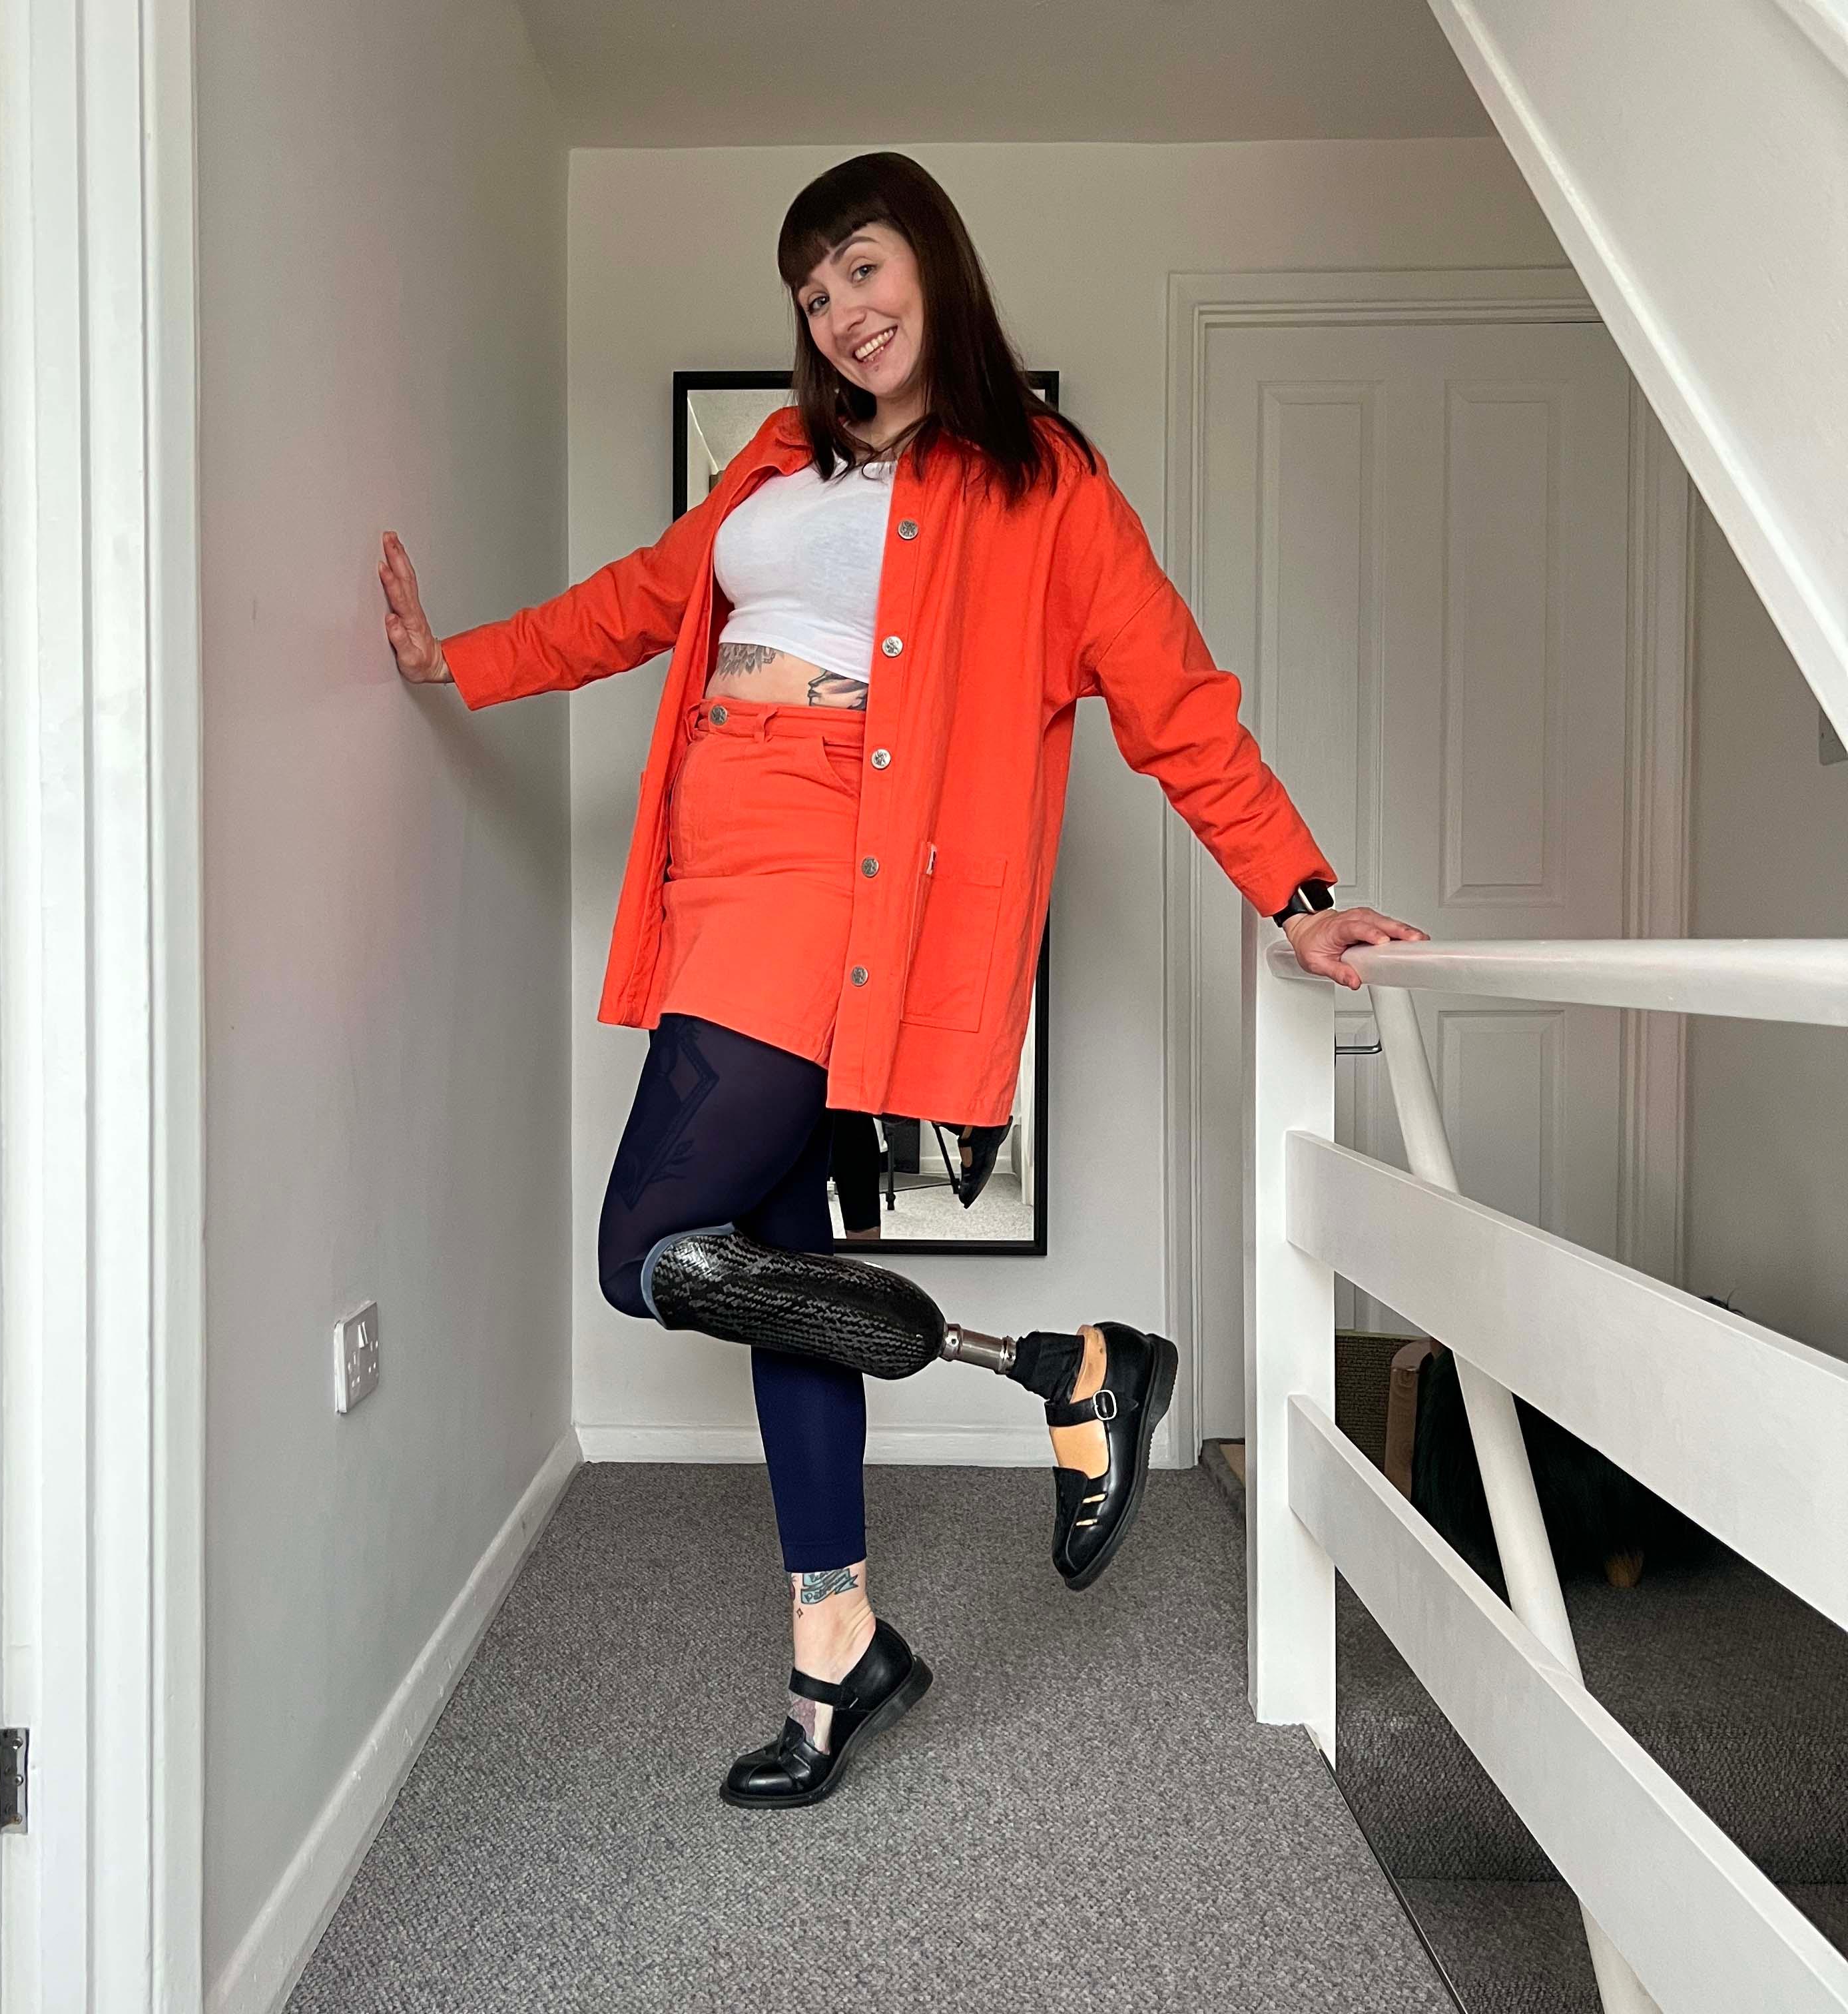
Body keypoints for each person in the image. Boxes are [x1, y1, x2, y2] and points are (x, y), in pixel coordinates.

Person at [378, 152, 1423, 1810]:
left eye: (860, 268)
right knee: (774, 1261)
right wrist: (462, 662)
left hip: (829, 882)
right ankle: (840, 1645)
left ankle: (1057, 1370)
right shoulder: (773, 461)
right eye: (812, 293)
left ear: (931, 260)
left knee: (646, 1254)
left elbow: (1176, 702)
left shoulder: (1041, 483)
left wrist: (1300, 894)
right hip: (715, 876)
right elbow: (640, 605)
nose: (840, 313)